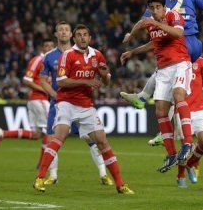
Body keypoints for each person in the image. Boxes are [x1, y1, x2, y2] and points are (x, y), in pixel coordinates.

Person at [34, 24, 134, 194]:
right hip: (66, 103)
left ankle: (120, 185)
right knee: (59, 137)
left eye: (85, 35)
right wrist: (86, 82)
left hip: (86, 105)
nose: (82, 37)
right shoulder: (68, 55)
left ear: (89, 37)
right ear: (74, 39)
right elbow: (61, 82)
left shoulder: (97, 55)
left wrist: (103, 75)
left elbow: (107, 81)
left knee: (102, 141)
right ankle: (40, 178)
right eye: (79, 35)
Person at [121, 0, 194, 173]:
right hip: (163, 70)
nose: (154, 11)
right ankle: (171, 154)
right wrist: (131, 41)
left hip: (180, 64)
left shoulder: (173, 15)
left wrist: (155, 23)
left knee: (178, 95)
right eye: (151, 8)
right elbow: (151, 39)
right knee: (160, 110)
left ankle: (188, 143)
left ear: (164, 7)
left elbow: (177, 33)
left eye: (157, 7)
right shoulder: (151, 22)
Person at [39, 21, 112, 185]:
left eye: (66, 30)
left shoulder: (83, 53)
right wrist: (53, 94)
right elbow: (42, 79)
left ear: (71, 34)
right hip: (60, 103)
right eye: (60, 30)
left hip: (81, 103)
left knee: (91, 139)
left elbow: (100, 75)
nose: (64, 33)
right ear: (56, 34)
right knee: (53, 139)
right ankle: (53, 176)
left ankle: (103, 174)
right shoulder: (49, 56)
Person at [0, 40, 54, 160]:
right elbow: (27, 80)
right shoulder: (37, 60)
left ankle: (3, 133)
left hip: (36, 101)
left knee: (36, 135)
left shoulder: (50, 62)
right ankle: (43, 164)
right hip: (39, 100)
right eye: (46, 46)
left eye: (51, 46)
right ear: (42, 48)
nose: (49, 48)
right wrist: (45, 90)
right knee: (50, 130)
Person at [175, 56, 203, 187]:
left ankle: (190, 164)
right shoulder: (176, 61)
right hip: (182, 109)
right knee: (185, 146)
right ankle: (180, 176)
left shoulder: (201, 61)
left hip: (199, 109)